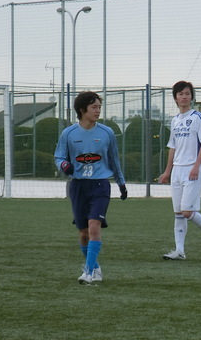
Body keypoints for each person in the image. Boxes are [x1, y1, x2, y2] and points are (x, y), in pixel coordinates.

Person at [54, 91, 127, 285]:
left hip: (100, 186)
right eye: (94, 107)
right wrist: (64, 166)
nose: (98, 111)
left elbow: (114, 160)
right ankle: (95, 268)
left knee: (94, 227)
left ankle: (87, 272)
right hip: (78, 186)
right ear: (82, 109)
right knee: (83, 232)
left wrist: (121, 183)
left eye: (99, 107)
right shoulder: (68, 133)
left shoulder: (107, 133)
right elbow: (59, 157)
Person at [158, 81, 201, 260]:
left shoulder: (198, 117)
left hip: (192, 169)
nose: (184, 97)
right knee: (178, 213)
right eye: (181, 94)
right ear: (175, 98)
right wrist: (167, 171)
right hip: (177, 170)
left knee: (186, 211)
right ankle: (180, 251)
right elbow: (172, 148)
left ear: (192, 97)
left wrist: (196, 166)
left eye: (187, 94)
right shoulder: (175, 120)